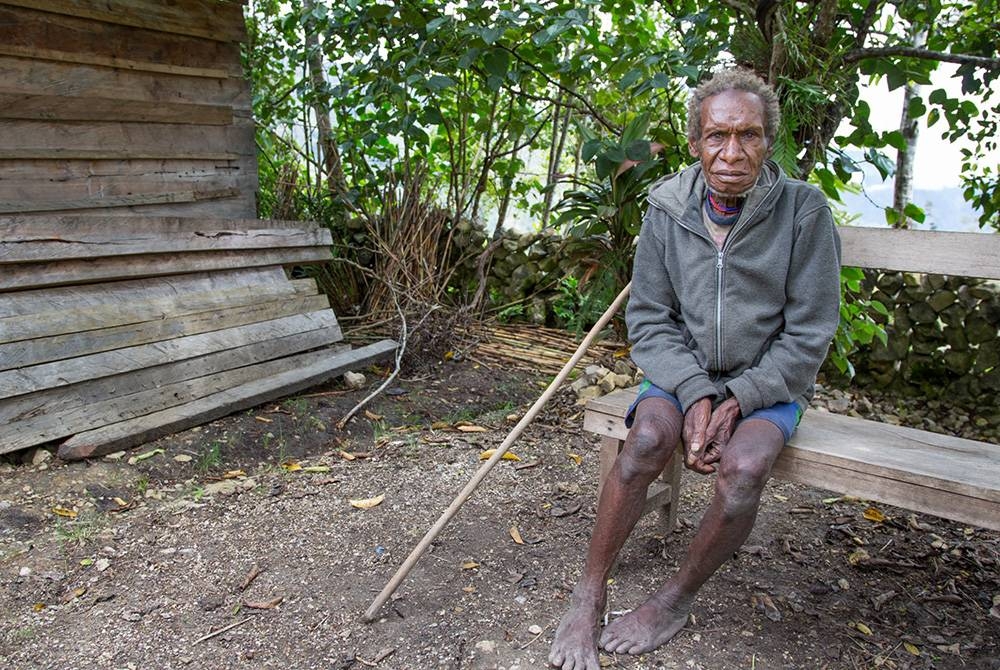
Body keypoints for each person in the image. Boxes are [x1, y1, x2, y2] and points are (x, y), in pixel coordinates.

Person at [549, 67, 842, 669]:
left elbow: (811, 330)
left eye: (749, 136)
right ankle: (590, 591)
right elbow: (651, 319)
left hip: (769, 382)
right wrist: (694, 394)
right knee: (648, 437)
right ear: (695, 143)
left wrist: (739, 396)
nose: (732, 152)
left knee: (744, 466)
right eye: (717, 136)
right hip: (681, 372)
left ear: (768, 142)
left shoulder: (804, 212)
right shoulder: (667, 208)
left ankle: (673, 600)